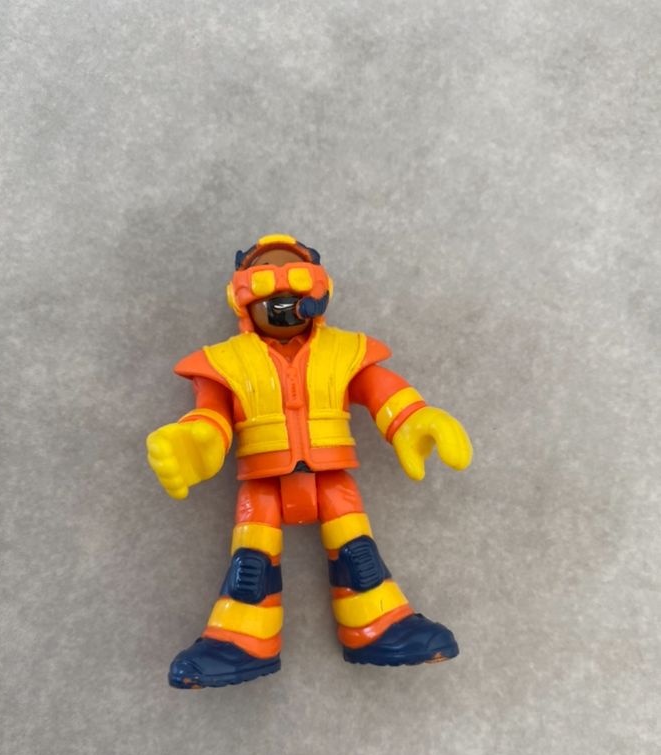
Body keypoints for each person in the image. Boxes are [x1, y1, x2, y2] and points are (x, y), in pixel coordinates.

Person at [146, 234, 473, 688]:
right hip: (262, 481)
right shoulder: (226, 362)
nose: (283, 299)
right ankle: (240, 641)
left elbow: (380, 389)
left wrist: (413, 419)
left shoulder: (344, 351)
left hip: (331, 475)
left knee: (357, 550)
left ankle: (378, 626)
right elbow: (211, 412)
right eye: (267, 285)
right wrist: (196, 441)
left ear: (319, 291)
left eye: (296, 284)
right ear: (242, 299)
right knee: (251, 560)